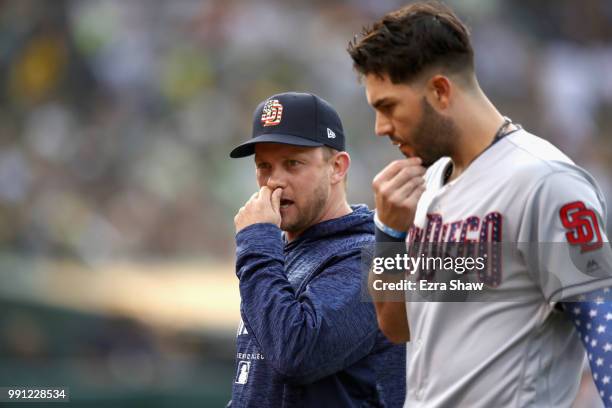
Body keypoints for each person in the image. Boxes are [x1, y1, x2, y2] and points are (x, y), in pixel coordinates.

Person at [347, 2, 612, 407]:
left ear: (439, 90)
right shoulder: (430, 181)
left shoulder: (545, 181)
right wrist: (388, 235)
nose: (380, 127)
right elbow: (396, 326)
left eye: (388, 106)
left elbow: (602, 326)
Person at [227, 92, 406, 407]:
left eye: (293, 163)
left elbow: (295, 354)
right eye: (264, 166)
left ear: (337, 167)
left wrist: (256, 243)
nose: (274, 182)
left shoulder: (370, 257)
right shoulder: (275, 254)